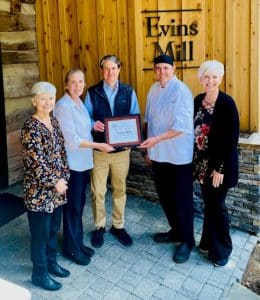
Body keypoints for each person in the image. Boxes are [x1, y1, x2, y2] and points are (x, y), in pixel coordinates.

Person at [54, 69, 114, 266]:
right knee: (73, 207)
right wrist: (98, 145)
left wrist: (92, 124)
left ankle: (77, 243)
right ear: (66, 85)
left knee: (79, 205)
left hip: (82, 162)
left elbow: (82, 124)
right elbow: (71, 139)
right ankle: (71, 249)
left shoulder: (78, 102)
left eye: (81, 81)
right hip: (72, 165)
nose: (77, 85)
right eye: (73, 82)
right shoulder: (63, 106)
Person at [139, 54, 195, 263]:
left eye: (165, 68)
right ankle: (176, 231)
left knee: (182, 200)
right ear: (154, 70)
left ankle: (187, 241)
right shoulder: (153, 89)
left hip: (178, 156)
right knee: (165, 197)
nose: (161, 72)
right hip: (158, 154)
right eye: (158, 68)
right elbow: (149, 120)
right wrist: (148, 149)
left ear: (174, 69)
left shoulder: (181, 90)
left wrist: (155, 140)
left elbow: (182, 126)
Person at [85, 55, 140, 248]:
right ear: (102, 71)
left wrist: (131, 140)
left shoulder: (128, 91)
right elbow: (86, 119)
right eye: (106, 69)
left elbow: (135, 117)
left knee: (120, 189)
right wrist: (93, 125)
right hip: (100, 151)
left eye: (113, 68)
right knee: (97, 191)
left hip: (122, 152)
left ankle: (118, 225)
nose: (110, 73)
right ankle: (99, 226)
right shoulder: (92, 92)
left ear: (119, 69)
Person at [21, 82, 70, 291]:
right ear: (34, 101)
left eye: (51, 98)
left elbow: (62, 152)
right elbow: (35, 163)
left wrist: (65, 178)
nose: (48, 102)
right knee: (40, 235)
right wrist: (55, 182)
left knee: (52, 231)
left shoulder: (54, 121)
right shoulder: (30, 127)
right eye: (43, 98)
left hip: (57, 191)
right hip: (39, 193)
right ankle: (39, 273)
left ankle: (51, 263)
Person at [193, 60, 239, 267]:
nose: (210, 81)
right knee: (209, 205)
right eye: (206, 76)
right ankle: (206, 242)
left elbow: (231, 139)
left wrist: (220, 168)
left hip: (219, 166)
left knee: (217, 207)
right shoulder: (197, 101)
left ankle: (221, 250)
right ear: (200, 79)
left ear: (220, 78)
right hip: (201, 165)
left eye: (214, 77)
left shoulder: (227, 103)